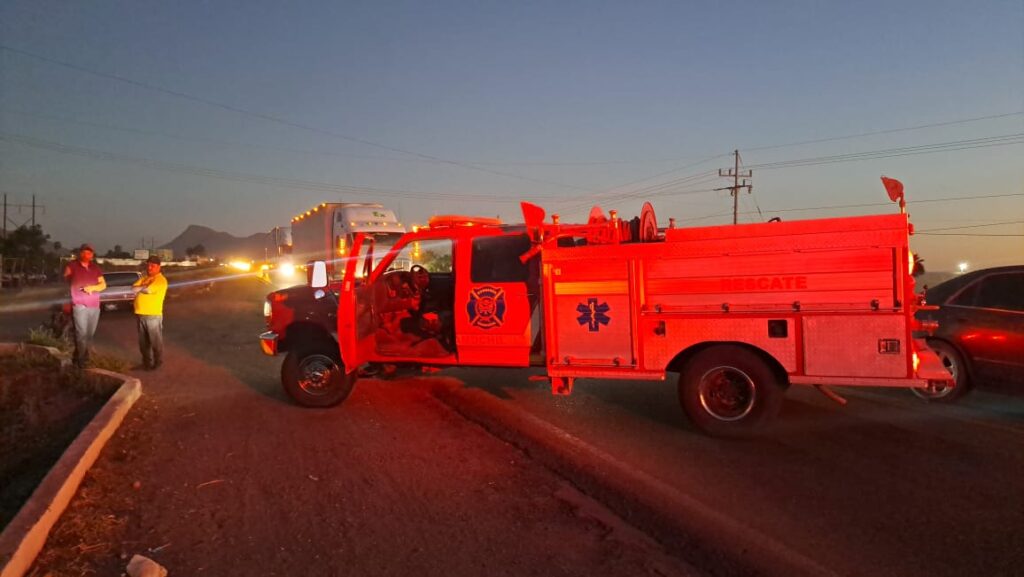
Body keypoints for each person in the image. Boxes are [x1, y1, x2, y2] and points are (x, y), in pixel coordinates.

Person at [64, 243, 106, 369]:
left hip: (94, 305)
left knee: (89, 334)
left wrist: (92, 288)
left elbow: (103, 285)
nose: (86, 254)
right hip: (79, 305)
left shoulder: (95, 268)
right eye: (84, 252)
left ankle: (78, 358)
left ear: (92, 255)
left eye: (89, 252)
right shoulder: (72, 266)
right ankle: (81, 363)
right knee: (81, 333)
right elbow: (64, 282)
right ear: (80, 253)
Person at [132, 255, 169, 370]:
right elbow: (133, 288)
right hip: (140, 314)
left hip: (153, 314)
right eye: (148, 265)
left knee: (155, 341)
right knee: (143, 343)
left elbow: (147, 290)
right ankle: (146, 363)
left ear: (158, 267)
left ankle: (158, 362)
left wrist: (142, 288)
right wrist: (143, 286)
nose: (149, 267)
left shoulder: (160, 280)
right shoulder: (145, 278)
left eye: (152, 265)